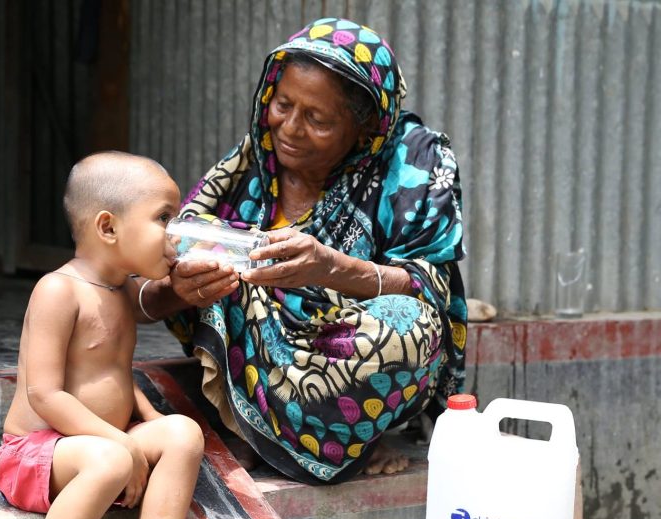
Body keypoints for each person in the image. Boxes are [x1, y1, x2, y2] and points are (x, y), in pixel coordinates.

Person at [134, 18, 468, 485]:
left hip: (346, 354)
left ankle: (350, 437)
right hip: (258, 356)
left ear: (366, 123)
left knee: (411, 327)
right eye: (283, 104)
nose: (288, 128)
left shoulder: (413, 163)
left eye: (318, 120)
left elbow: (430, 287)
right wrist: (180, 287)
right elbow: (151, 270)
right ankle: (249, 426)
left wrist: (331, 267)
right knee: (208, 240)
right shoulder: (256, 157)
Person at [0, 151, 205, 519]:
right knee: (111, 460)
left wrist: (147, 426)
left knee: (182, 433)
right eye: (163, 218)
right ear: (108, 227)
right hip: (35, 454)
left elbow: (111, 371)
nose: (174, 233)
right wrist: (124, 444)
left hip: (97, 448)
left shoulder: (123, 292)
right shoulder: (58, 289)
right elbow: (45, 395)